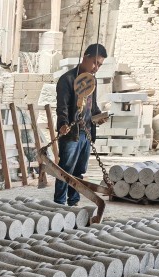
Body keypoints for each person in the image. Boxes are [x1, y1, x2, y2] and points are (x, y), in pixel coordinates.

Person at [54, 43, 108, 206]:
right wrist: (63, 123)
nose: (96, 68)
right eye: (95, 63)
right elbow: (62, 107)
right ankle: (59, 204)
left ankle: (74, 202)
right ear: (85, 57)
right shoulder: (67, 79)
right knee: (65, 170)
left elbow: (93, 106)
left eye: (100, 65)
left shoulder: (92, 81)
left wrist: (99, 116)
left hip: (86, 132)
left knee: (79, 171)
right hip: (71, 132)